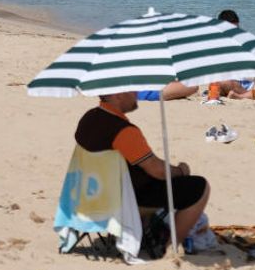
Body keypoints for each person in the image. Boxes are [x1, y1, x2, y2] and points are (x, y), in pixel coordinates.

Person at [74, 91, 211, 245]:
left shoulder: (89, 118)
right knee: (199, 187)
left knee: (146, 177)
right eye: (132, 91)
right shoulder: (123, 131)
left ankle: (146, 230)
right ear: (118, 95)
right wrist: (181, 171)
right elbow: (158, 170)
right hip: (122, 200)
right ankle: (173, 246)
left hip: (89, 195)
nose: (136, 94)